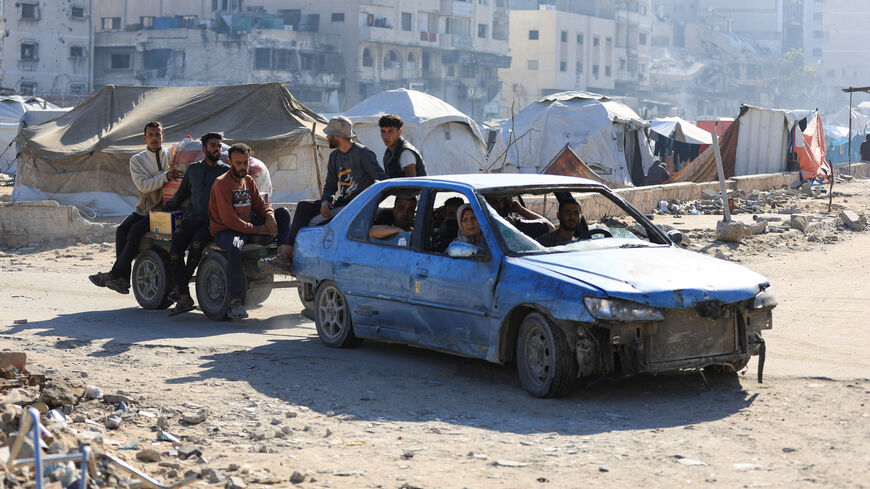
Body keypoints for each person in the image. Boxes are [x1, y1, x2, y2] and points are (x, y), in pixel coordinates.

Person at [89, 121, 180, 294]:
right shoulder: (137, 160)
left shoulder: (172, 156)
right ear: (144, 138)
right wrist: (166, 176)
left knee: (135, 231)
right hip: (145, 209)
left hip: (165, 211)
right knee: (122, 230)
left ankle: (117, 275)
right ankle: (122, 277)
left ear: (163, 136)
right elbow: (144, 186)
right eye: (151, 135)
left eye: (157, 134)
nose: (154, 138)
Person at [281, 116, 386, 263]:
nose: (327, 136)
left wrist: (368, 205)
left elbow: (381, 182)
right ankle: (288, 250)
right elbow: (330, 186)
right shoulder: (335, 156)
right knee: (304, 207)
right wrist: (325, 202)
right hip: (341, 203)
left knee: (317, 227)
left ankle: (295, 257)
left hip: (357, 206)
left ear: (338, 136)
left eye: (329, 134)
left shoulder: (363, 154)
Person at [209, 143, 290, 319]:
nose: (242, 167)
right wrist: (258, 228)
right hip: (228, 231)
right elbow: (229, 219)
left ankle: (282, 256)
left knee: (282, 213)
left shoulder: (249, 181)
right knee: (236, 247)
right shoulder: (222, 183)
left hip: (247, 226)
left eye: (245, 162)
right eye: (238, 163)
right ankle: (235, 302)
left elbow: (261, 205)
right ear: (230, 162)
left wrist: (269, 216)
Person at [163, 132, 230, 315]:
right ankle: (185, 295)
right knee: (175, 252)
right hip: (189, 219)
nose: (217, 149)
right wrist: (164, 209)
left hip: (209, 223)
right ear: (204, 148)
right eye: (213, 145)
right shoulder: (193, 169)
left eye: (219, 146)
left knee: (195, 250)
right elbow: (181, 195)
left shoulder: (225, 171)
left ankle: (181, 293)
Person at [378, 114, 427, 178]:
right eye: (383, 131)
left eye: (390, 131)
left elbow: (412, 184)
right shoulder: (389, 152)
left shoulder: (406, 153)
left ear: (399, 132)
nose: (386, 136)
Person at [485, 195, 554, 239]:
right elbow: (550, 227)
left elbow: (549, 228)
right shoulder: (509, 224)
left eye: (502, 201)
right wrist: (521, 210)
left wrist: (520, 209)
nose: (501, 206)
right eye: (494, 202)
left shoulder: (510, 223)